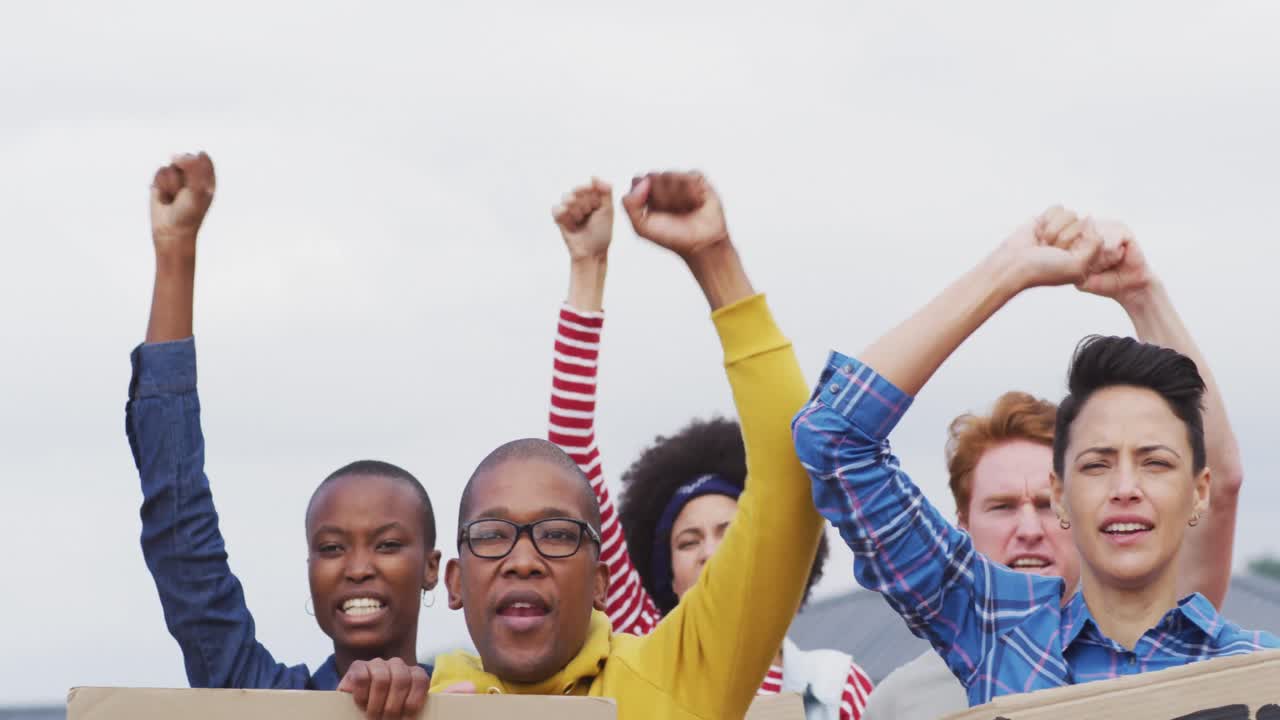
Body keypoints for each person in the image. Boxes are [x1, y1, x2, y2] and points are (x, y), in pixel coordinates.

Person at [792, 207, 1278, 707]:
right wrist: (1009, 270)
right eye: (1097, 464)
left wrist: (1140, 293)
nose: (1125, 487)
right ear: (1061, 495)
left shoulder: (1258, 671)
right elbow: (834, 434)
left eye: (1155, 462)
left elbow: (1226, 477)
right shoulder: (1003, 637)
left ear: (1198, 492)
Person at [428, 171, 825, 719]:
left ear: (600, 583)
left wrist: (715, 259)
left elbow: (791, 479)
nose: (524, 561)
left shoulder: (675, 677)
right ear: (454, 581)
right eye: (492, 535)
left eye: (557, 534)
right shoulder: (404, 706)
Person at [126, 153, 442, 720]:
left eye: (389, 544)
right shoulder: (259, 699)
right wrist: (176, 253)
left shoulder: (495, 696)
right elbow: (177, 527)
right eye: (330, 548)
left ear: (434, 568)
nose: (358, 567)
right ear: (308, 569)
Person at [543, 176, 872, 720]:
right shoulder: (643, 644)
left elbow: (789, 473)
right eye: (688, 541)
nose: (710, 551)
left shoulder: (836, 684)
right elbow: (568, 467)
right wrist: (587, 269)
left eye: (729, 531)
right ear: (665, 573)